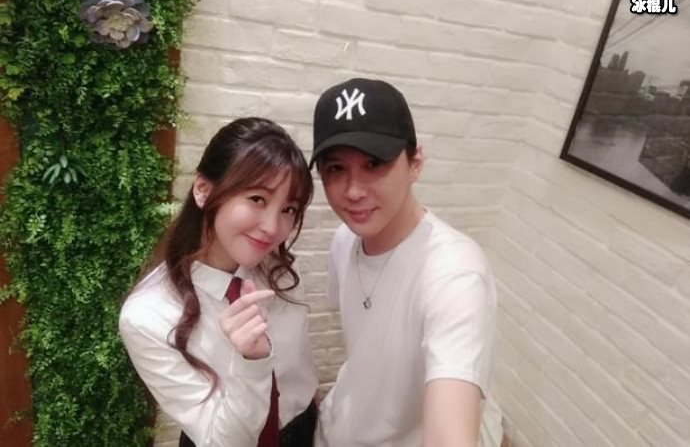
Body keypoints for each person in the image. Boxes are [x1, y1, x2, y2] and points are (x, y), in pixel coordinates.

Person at [310, 78, 503, 447]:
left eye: (373, 163)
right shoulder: (344, 239)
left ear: (415, 163)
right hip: (337, 427)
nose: (353, 190)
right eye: (335, 168)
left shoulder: (455, 275)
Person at [119, 117, 319, 447]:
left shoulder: (280, 271)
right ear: (203, 190)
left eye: (288, 209)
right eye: (257, 199)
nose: (273, 228)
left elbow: (299, 369)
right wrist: (251, 362)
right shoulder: (147, 316)